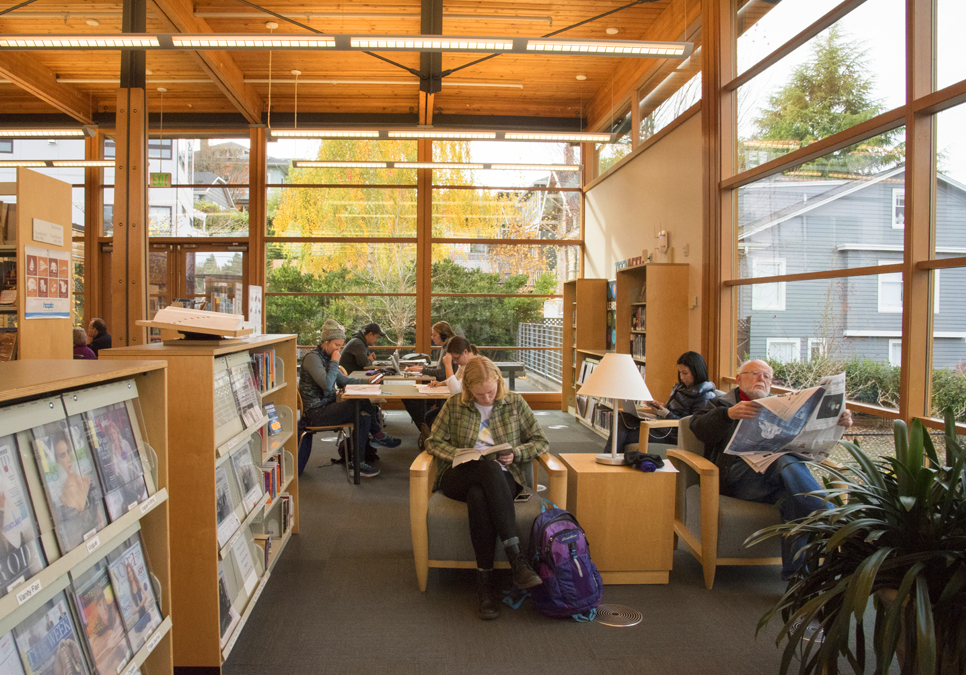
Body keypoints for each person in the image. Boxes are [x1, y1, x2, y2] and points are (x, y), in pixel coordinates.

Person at [688, 359, 853, 580]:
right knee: (782, 460)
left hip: (777, 481)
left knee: (793, 498)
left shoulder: (782, 407)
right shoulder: (721, 404)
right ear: (738, 379)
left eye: (767, 376)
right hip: (738, 478)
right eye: (755, 373)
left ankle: (796, 578)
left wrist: (837, 422)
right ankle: (834, 516)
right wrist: (728, 415)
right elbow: (697, 428)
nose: (761, 379)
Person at [426, 357, 547, 620]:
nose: (486, 397)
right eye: (479, 394)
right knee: (487, 469)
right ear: (468, 389)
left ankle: (485, 585)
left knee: (480, 493)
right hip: (459, 475)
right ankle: (516, 558)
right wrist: (457, 452)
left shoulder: (515, 403)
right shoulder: (456, 404)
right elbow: (433, 441)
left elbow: (540, 441)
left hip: (504, 479)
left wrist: (516, 453)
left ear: (499, 383)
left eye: (491, 392)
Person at [298, 319, 385, 477]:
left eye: (340, 346)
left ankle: (357, 464)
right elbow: (327, 384)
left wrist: (368, 381)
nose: (339, 349)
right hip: (315, 413)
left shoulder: (327, 358)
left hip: (327, 408)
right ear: (326, 342)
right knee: (360, 403)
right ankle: (378, 435)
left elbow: (344, 380)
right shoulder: (313, 358)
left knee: (364, 417)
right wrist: (334, 361)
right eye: (337, 345)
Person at [603, 351, 716, 452]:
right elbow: (676, 409)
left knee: (622, 435)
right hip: (664, 427)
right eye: (680, 373)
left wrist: (666, 413)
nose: (681, 377)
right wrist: (660, 407)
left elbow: (693, 425)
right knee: (623, 418)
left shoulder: (705, 395)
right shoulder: (682, 388)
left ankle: (608, 461)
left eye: (685, 373)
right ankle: (611, 463)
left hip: (673, 435)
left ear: (696, 372)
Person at [338, 322, 401, 450]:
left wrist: (368, 358)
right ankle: (378, 435)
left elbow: (363, 362)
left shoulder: (361, 342)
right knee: (368, 400)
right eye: (376, 337)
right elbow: (364, 363)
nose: (376, 341)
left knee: (372, 391)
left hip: (353, 379)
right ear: (370, 334)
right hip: (349, 382)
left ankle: (378, 435)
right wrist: (370, 359)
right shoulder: (358, 343)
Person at [402, 321, 457, 427]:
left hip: (446, 388)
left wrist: (422, 370)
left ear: (443, 335)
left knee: (410, 398)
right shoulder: (446, 346)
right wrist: (421, 368)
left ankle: (426, 428)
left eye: (434, 335)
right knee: (413, 397)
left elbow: (441, 373)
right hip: (443, 385)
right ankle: (426, 427)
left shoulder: (448, 348)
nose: (432, 337)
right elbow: (440, 368)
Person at [422, 336, 479, 433]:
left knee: (433, 419)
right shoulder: (464, 364)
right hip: (462, 406)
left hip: (471, 410)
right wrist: (441, 383)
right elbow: (456, 378)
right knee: (429, 416)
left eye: (456, 358)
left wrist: (447, 365)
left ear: (465, 352)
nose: (455, 362)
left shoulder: (474, 366)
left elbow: (455, 391)